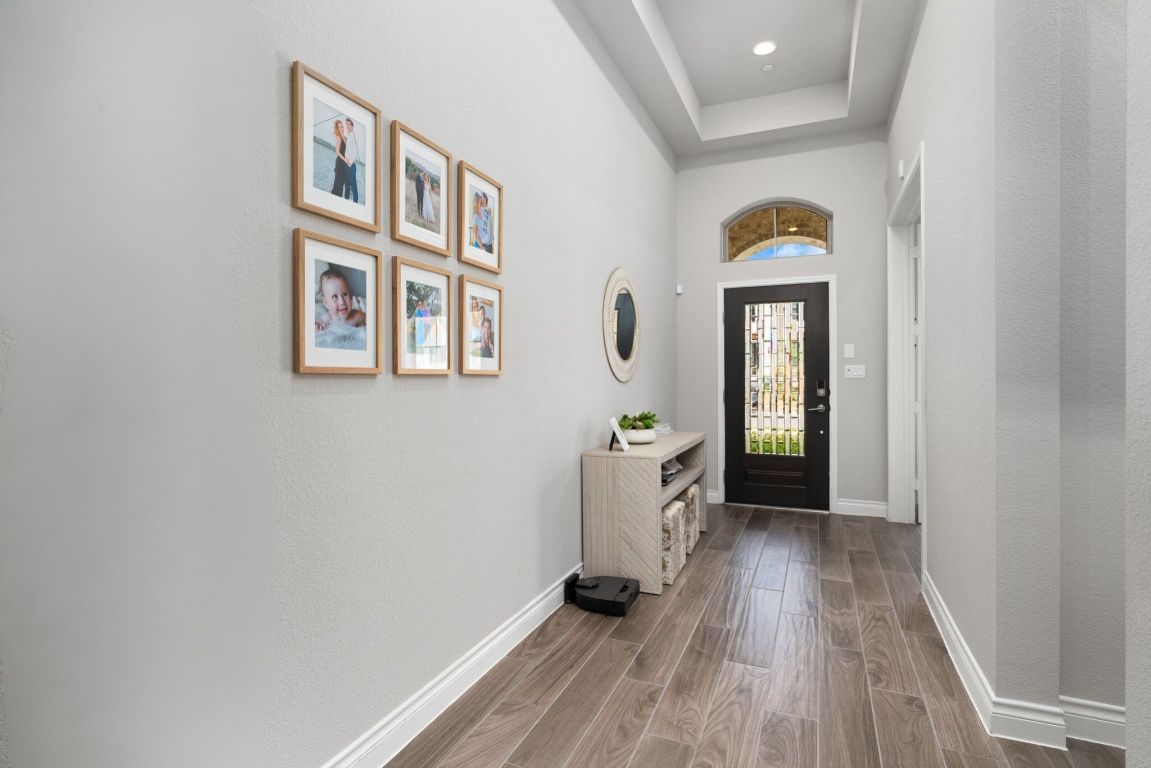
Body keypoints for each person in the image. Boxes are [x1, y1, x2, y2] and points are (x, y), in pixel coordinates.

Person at [315, 265, 365, 331]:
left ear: (350, 295)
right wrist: (317, 326)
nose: (342, 301)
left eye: (344, 294)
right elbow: (319, 324)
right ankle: (355, 304)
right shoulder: (328, 318)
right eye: (335, 296)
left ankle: (356, 305)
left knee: (358, 309)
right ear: (326, 303)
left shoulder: (357, 315)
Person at [342, 118, 359, 204]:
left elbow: (355, 152)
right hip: (347, 164)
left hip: (351, 165)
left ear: (352, 126)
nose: (347, 126)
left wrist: (349, 162)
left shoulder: (353, 136)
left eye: (349, 124)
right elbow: (348, 147)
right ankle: (346, 201)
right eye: (346, 124)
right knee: (347, 184)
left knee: (353, 186)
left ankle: (355, 202)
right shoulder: (349, 135)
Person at [330, 120, 347, 198]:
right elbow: (337, 151)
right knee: (337, 184)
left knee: (341, 185)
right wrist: (345, 159)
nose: (341, 128)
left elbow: (348, 148)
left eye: (342, 126)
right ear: (337, 128)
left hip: (345, 165)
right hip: (340, 163)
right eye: (339, 127)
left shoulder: (345, 138)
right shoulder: (338, 137)